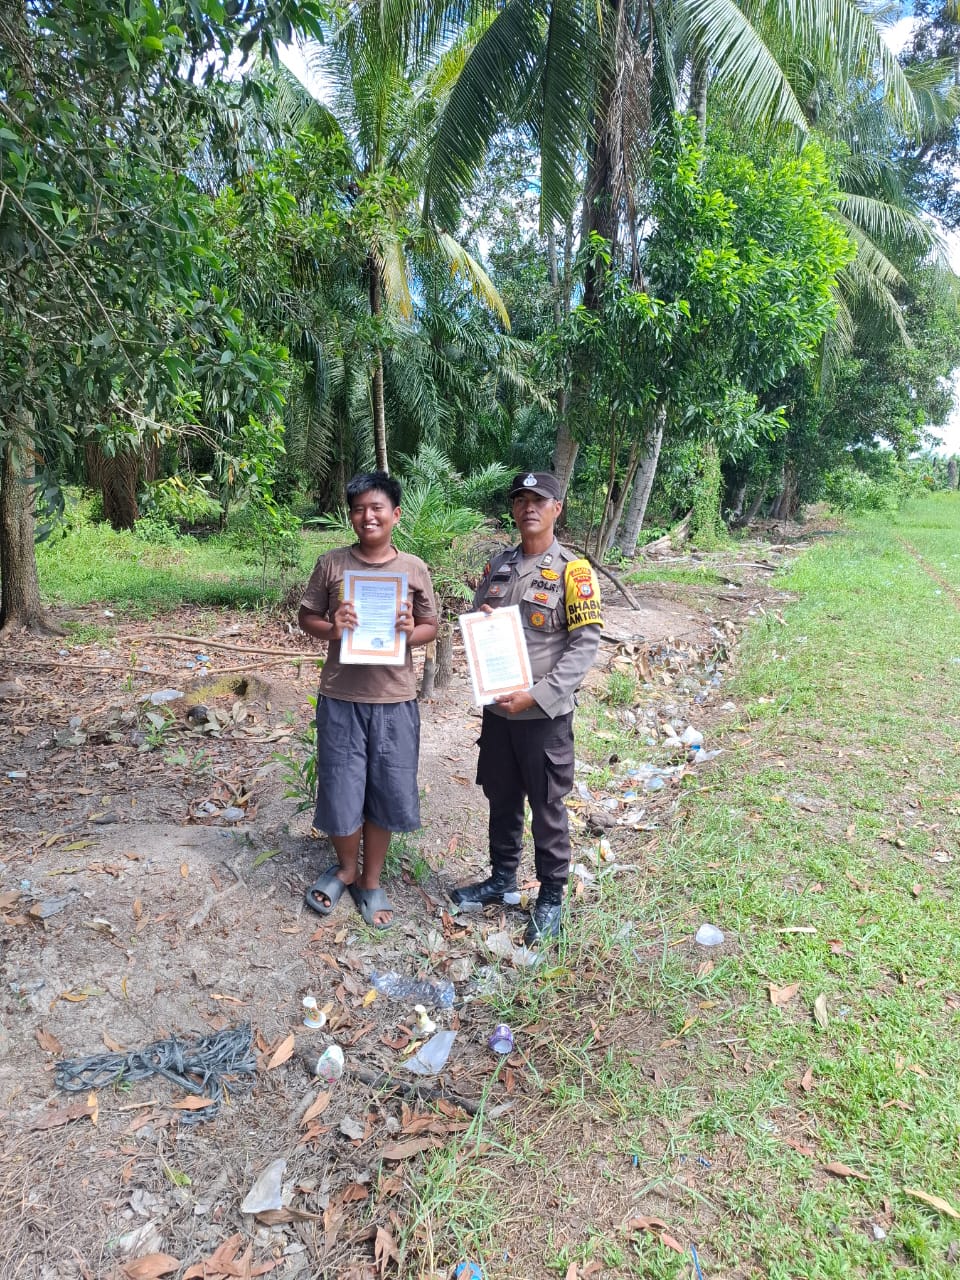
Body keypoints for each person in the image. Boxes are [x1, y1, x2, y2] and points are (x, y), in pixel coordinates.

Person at [452, 471, 602, 944]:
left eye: (540, 500)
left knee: (547, 805)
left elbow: (584, 646)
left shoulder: (573, 572)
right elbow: (478, 625)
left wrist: (537, 695)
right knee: (501, 797)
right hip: (499, 712)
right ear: (513, 510)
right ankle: (501, 879)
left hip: (543, 716)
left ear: (558, 508)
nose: (529, 507)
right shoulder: (499, 567)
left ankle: (551, 897)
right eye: (520, 499)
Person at [298, 472, 438, 928]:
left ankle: (370, 880)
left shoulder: (413, 569)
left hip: (394, 699)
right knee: (342, 788)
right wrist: (333, 627)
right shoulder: (332, 564)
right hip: (341, 696)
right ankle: (345, 868)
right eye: (359, 508)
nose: (368, 516)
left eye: (377, 507)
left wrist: (408, 633)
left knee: (386, 789)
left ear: (395, 515)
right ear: (351, 516)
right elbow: (307, 618)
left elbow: (430, 626)